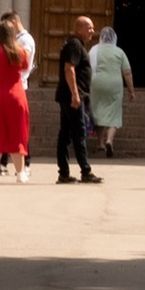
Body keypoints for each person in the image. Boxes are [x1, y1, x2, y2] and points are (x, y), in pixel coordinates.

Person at [0, 14, 32, 180]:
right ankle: (20, 173)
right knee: (18, 133)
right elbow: (25, 68)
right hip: (16, 95)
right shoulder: (21, 52)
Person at [55, 16, 99, 183]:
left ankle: (64, 173)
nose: (92, 31)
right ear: (79, 29)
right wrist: (75, 94)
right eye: (89, 28)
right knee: (78, 133)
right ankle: (86, 171)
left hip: (68, 96)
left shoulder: (76, 44)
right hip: (72, 97)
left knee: (65, 134)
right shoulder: (74, 45)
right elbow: (69, 68)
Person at [87, 18, 132, 158]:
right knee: (114, 113)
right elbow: (127, 72)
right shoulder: (119, 52)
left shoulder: (94, 50)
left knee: (97, 111)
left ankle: (100, 143)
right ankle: (109, 140)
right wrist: (131, 90)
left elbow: (86, 68)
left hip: (97, 84)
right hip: (114, 85)